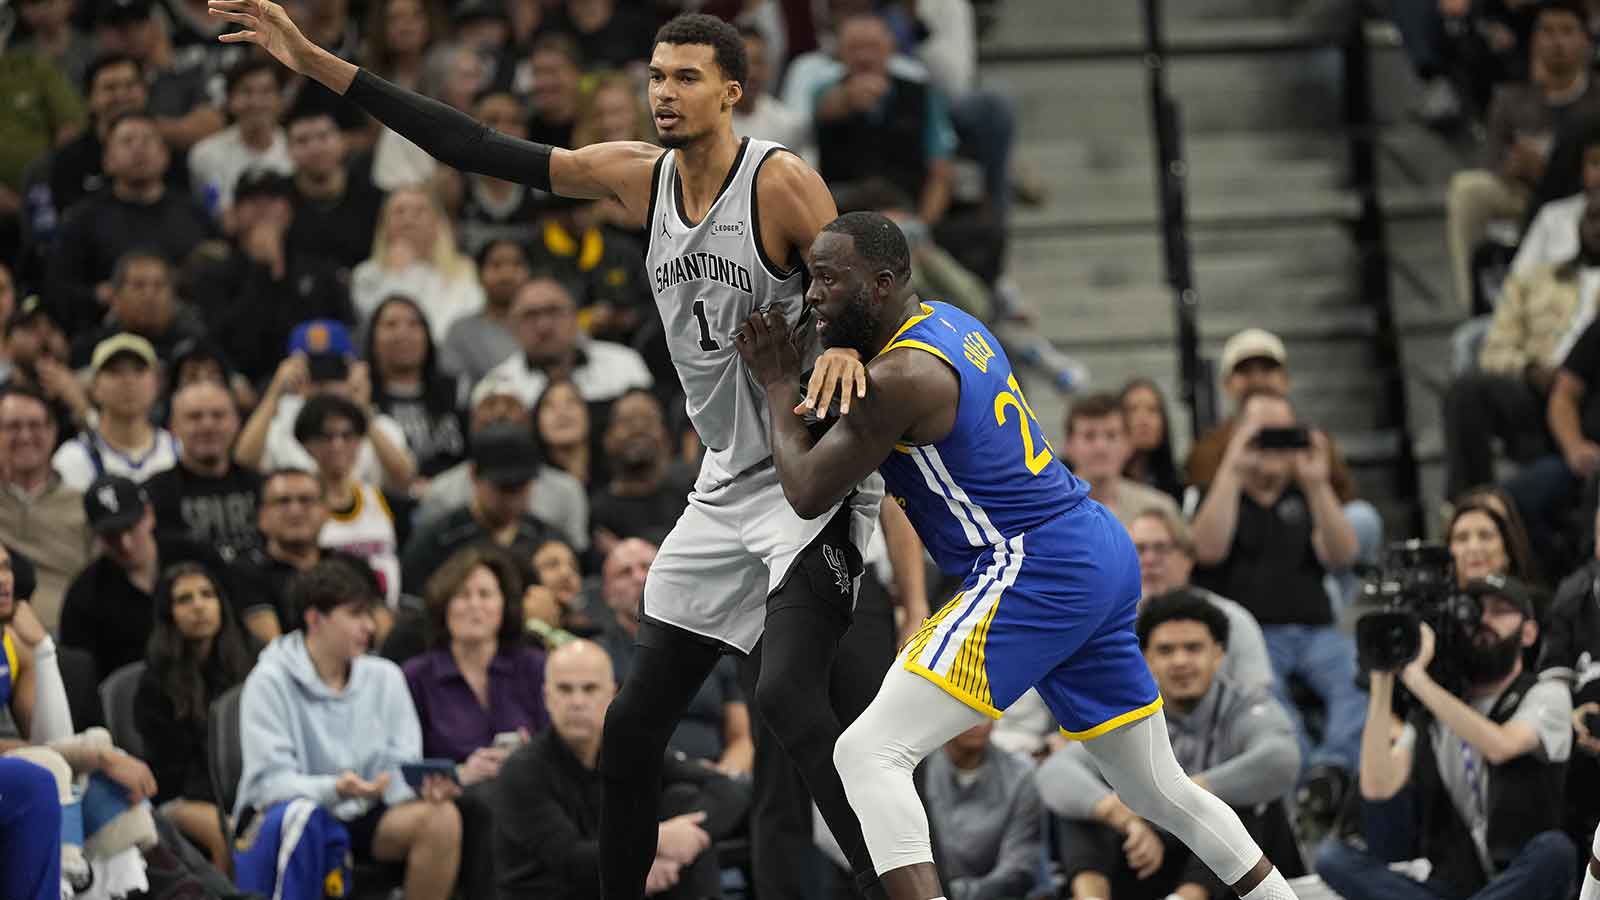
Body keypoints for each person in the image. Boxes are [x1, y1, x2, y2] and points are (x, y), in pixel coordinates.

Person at [207, 10, 887, 900]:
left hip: (812, 471)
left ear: (733, 90)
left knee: (789, 706)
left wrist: (847, 343)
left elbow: (866, 284)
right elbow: (473, 147)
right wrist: (318, 63)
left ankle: (898, 889)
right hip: (725, 480)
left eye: (686, 78)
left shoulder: (781, 184)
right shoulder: (631, 178)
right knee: (633, 725)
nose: (664, 95)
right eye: (655, 76)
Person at [733, 211, 1300, 900]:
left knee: (867, 752)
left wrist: (773, 379)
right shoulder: (949, 320)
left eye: (827, 280)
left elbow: (807, 489)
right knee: (1157, 787)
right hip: (1091, 543)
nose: (812, 294)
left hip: (1033, 565)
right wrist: (839, 352)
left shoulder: (902, 377)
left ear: (880, 286)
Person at [1315, 575, 1576, 900]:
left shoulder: (1546, 694)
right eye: (1475, 610)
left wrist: (1417, 679)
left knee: (1556, 851)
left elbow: (1501, 745)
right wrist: (1383, 675)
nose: (1483, 621)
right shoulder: (1439, 705)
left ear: (1528, 632)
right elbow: (1378, 789)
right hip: (1456, 885)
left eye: (1499, 611)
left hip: (1522, 878)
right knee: (1333, 858)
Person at [1038, 591, 1303, 900]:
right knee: (1083, 804)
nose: (1180, 661)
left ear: (1218, 654)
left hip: (1226, 883)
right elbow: (1057, 771)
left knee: (1247, 798)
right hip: (1146, 859)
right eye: (1166, 650)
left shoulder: (1245, 705)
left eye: (1193, 649)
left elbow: (1280, 760)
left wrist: (1180, 797)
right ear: (1146, 659)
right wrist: (1123, 817)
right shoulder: (1126, 712)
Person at [235, 558, 462, 900]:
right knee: (304, 818)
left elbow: (401, 763)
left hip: (364, 811)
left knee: (441, 819)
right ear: (315, 619)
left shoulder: (385, 676)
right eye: (356, 615)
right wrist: (335, 788)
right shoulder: (268, 681)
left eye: (370, 614)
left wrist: (415, 790)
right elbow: (268, 786)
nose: (369, 626)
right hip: (291, 816)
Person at [1189, 390, 1366, 818]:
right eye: (1263, 435)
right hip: (1253, 634)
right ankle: (1303, 787)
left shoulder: (1306, 493)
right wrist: (1234, 467)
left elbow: (1343, 555)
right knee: (1274, 707)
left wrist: (1317, 482)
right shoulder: (1217, 491)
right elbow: (1206, 549)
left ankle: (1332, 770)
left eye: (1283, 434)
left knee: (1360, 681)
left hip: (1316, 631)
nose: (1273, 446)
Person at [494, 639, 746, 900]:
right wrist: (658, 842)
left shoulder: (631, 752)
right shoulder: (522, 771)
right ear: (547, 698)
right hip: (552, 892)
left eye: (589, 689)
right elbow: (570, 860)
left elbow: (728, 788)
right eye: (565, 689)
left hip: (616, 885)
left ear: (612, 694)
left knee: (682, 798)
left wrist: (690, 839)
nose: (577, 702)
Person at [1446, 0, 1599, 311]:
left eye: (1567, 31)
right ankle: (1472, 308)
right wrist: (1511, 167)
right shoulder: (1511, 97)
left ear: (1587, 41)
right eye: (1547, 31)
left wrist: (1552, 168)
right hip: (1523, 193)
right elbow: (1489, 160)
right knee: (1468, 189)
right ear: (1533, 40)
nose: (1557, 42)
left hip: (1586, 195)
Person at [45, 111, 216, 337]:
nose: (139, 149)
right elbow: (58, 287)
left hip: (186, 334)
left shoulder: (194, 215)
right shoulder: (82, 219)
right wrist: (98, 295)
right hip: (105, 335)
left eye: (147, 140)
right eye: (127, 141)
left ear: (164, 155)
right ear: (107, 160)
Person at [132, 560, 256, 868]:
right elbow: (169, 770)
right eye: (185, 599)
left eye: (207, 594)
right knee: (224, 831)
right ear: (168, 613)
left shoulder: (249, 662)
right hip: (178, 797)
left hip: (240, 790)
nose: (199, 606)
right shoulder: (155, 682)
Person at [184, 166, 355, 385]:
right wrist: (261, 272)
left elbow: (343, 331)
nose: (263, 208)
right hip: (244, 386)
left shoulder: (320, 272)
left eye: (273, 199)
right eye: (252, 200)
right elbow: (224, 342)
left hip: (315, 383)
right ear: (235, 214)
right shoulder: (214, 275)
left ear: (289, 212)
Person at [59, 474, 234, 676]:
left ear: (149, 515)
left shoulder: (198, 557)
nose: (125, 544)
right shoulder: (85, 595)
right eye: (111, 535)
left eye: (130, 528)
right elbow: (82, 674)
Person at [402, 545, 547, 771]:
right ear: (444, 605)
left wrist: (534, 755)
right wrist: (462, 774)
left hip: (526, 795)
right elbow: (408, 766)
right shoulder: (415, 676)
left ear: (504, 605)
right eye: (462, 595)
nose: (474, 605)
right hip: (452, 800)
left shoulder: (537, 667)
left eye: (485, 594)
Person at [236, 319, 417, 493]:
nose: (324, 382)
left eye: (334, 368)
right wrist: (274, 393)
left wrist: (362, 412)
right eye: (314, 369)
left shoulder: (377, 424)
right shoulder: (280, 423)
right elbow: (243, 465)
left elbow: (406, 478)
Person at [414, 372, 590, 552]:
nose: (500, 413)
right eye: (489, 404)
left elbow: (576, 559)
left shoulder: (566, 491)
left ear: (529, 420)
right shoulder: (441, 493)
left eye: (510, 405)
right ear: (472, 420)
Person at [400, 422, 556, 594]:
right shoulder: (439, 542)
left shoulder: (547, 539)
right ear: (474, 475)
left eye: (521, 487)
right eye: (503, 488)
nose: (512, 500)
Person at [1129, 507, 1273, 692]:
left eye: (1160, 548)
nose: (1148, 560)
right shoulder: (1110, 626)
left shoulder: (1233, 619)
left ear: (1188, 558)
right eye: (1138, 550)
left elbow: (1257, 697)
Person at [481, 273, 653, 413]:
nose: (544, 326)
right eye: (530, 315)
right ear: (512, 327)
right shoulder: (497, 388)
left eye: (554, 311)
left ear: (575, 318)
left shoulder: (624, 363)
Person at [0, 385, 95, 630]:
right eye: (12, 427)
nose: (25, 436)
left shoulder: (83, 504)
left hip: (66, 636)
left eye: (35, 425)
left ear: (53, 432)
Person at [295, 394, 402, 608]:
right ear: (307, 444)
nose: (337, 445)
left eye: (347, 435)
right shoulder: (301, 505)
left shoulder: (375, 496)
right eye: (327, 436)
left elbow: (405, 475)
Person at [144, 380, 264, 562]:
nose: (208, 425)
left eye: (218, 415)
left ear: (236, 422)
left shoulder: (263, 488)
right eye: (194, 417)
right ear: (172, 427)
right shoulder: (154, 494)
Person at [920, 721, 1041, 900]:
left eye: (983, 712)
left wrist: (954, 893)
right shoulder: (916, 772)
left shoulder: (1022, 775)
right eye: (965, 712)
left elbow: (1018, 864)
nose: (976, 722)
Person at [351, 186, 485, 336]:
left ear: (437, 223)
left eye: (419, 211)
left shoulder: (465, 271)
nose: (408, 220)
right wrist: (397, 276)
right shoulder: (366, 275)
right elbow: (378, 329)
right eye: (399, 212)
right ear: (384, 225)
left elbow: (462, 326)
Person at [51, 333, 179, 490]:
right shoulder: (72, 458)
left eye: (139, 370)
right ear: (95, 387)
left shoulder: (179, 452)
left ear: (157, 384)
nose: (128, 381)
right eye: (115, 371)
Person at [364, 294, 467, 478]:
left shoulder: (457, 390)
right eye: (390, 325)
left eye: (414, 324)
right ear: (372, 338)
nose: (403, 334)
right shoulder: (363, 395)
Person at [589, 388, 694, 555]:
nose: (638, 428)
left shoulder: (692, 500)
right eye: (627, 422)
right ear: (607, 439)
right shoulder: (596, 514)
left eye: (648, 421)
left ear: (666, 437)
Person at [187, 57, 293, 217]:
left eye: (266, 92)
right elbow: (210, 213)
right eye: (246, 91)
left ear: (280, 101)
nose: (256, 102)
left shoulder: (297, 149)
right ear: (229, 100)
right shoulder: (204, 155)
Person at [1061, 391, 1181, 529]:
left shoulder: (1159, 509)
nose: (1101, 447)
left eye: (1111, 435)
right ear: (1068, 445)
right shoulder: (1049, 512)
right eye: (1089, 436)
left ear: (1128, 444)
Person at [440, 238, 528, 384]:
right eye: (496, 265)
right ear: (479, 275)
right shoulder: (461, 331)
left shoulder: (545, 325)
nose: (506, 275)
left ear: (528, 273)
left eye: (516, 265)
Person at [1120, 377, 1184, 503]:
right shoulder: (1102, 484)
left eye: (1152, 410)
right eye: (1132, 410)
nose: (1144, 420)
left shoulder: (1177, 485)